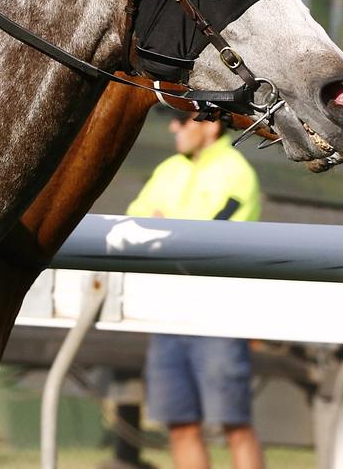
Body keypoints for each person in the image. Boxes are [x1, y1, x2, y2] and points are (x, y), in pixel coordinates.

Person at [128, 109, 265, 469]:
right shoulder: (168, 169)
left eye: (182, 118)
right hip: (167, 317)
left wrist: (163, 229)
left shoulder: (238, 173)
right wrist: (164, 231)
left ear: (211, 123)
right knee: (181, 425)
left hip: (217, 317)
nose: (174, 126)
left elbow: (212, 237)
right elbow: (134, 221)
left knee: (235, 423)